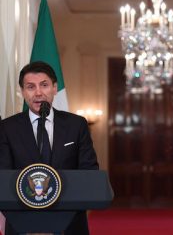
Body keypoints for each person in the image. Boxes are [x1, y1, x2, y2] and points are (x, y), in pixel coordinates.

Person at [0, 61, 99, 235]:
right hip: (22, 222)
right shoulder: (7, 128)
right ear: (22, 92)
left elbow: (88, 171)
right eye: (30, 87)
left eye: (44, 85)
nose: (38, 93)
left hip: (70, 222)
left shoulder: (76, 125)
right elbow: (3, 176)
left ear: (54, 88)